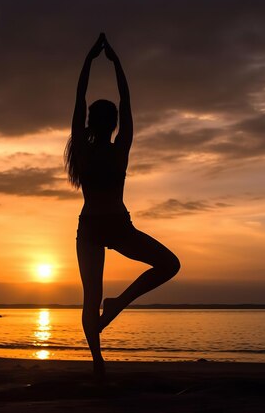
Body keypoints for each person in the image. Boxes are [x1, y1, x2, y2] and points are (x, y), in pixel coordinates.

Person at [65, 33, 181, 378]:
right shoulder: (119, 149)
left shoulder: (82, 150)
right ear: (114, 123)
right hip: (116, 225)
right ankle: (118, 306)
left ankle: (98, 360)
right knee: (169, 265)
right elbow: (126, 100)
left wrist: (89, 60)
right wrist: (116, 63)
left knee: (91, 298)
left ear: (89, 121)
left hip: (91, 227)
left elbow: (78, 97)